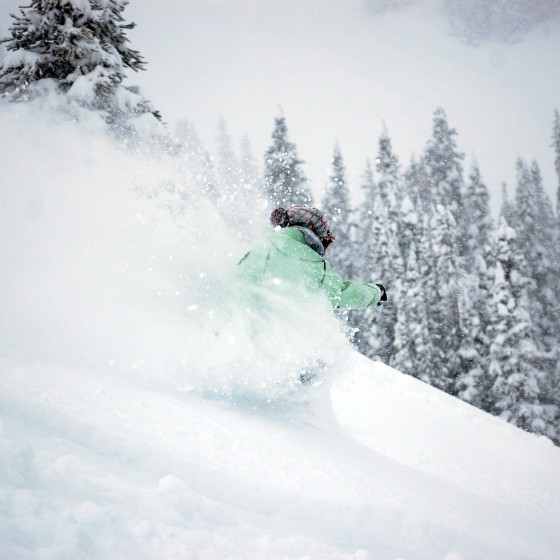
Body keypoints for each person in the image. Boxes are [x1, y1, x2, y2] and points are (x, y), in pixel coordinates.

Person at [237, 205, 387, 310]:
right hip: (283, 342)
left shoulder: (261, 246)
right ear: (316, 235)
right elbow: (342, 295)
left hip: (246, 332)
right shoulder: (315, 264)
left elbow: (238, 277)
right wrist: (375, 293)